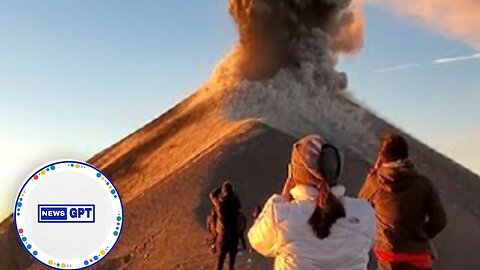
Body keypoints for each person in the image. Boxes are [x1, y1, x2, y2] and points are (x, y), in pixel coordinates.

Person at [248, 135, 376, 270]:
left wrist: (282, 197)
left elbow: (257, 241)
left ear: (296, 172)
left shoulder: (280, 215)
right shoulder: (364, 212)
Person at [359, 133, 447, 270]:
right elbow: (440, 221)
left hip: (389, 259)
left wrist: (371, 176)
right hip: (419, 258)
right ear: (406, 155)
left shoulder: (375, 183)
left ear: (381, 158)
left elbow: (359, 210)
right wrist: (421, 235)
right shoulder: (423, 184)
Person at [209, 181, 242, 270]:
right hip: (234, 236)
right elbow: (239, 205)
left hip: (223, 236)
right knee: (231, 263)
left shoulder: (220, 205)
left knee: (220, 261)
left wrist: (221, 188)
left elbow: (212, 195)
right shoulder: (235, 204)